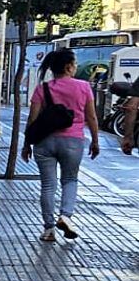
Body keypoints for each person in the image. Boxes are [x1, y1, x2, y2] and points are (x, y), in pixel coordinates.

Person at [22, 48, 100, 242]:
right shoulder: (83, 87)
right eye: (74, 64)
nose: (75, 67)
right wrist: (95, 141)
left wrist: (26, 144)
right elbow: (91, 117)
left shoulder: (42, 89)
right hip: (73, 141)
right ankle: (65, 215)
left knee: (48, 185)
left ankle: (49, 229)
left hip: (44, 141)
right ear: (68, 67)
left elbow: (32, 119)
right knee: (70, 180)